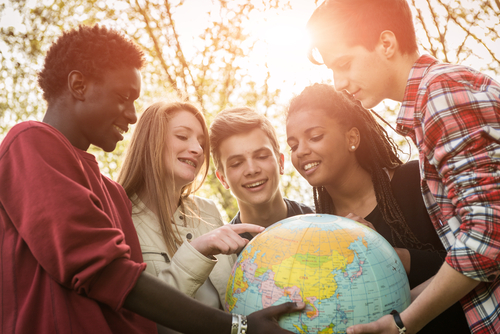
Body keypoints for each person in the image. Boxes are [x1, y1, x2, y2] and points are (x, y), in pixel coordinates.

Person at [0, 24, 304, 334]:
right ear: (79, 85)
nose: (132, 115)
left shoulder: (112, 193)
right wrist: (239, 328)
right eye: (124, 97)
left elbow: (133, 314)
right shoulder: (31, 142)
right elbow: (109, 274)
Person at [306, 0, 500, 333]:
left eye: (344, 63)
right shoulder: (433, 100)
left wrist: (401, 324)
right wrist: (391, 310)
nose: (338, 82)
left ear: (386, 43)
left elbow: (486, 241)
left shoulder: (441, 96)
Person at [286, 83, 470, 333]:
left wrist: (380, 251)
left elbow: (474, 260)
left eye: (315, 137)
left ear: (352, 138)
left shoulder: (416, 181)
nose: (302, 151)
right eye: (293, 145)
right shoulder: (317, 227)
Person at [117, 101, 264, 333]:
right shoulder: (118, 217)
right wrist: (197, 251)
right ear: (150, 141)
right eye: (183, 136)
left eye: (201, 143)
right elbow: (137, 319)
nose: (197, 149)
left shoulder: (208, 211)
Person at [209, 107, 314, 243]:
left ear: (281, 163)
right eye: (236, 163)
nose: (252, 170)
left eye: (262, 156)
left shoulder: (323, 224)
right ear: (223, 179)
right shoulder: (221, 256)